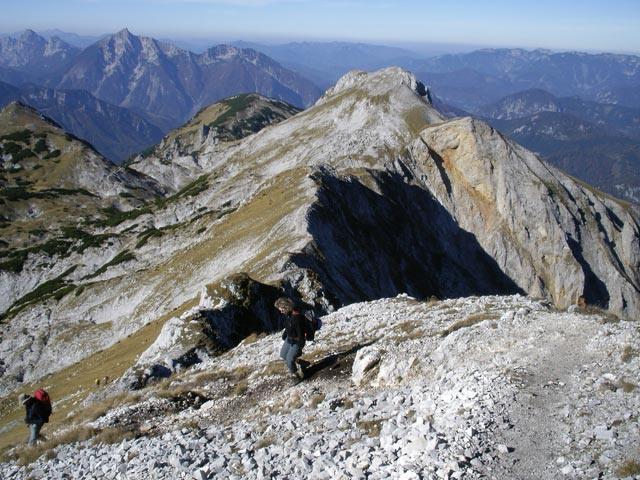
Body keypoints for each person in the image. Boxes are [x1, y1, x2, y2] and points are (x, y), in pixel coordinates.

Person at [275, 297, 307, 382]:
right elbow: (288, 326)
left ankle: (296, 377)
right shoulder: (288, 314)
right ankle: (302, 363)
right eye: (280, 310)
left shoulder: (297, 317)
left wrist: (300, 345)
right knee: (283, 355)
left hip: (296, 341)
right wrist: (285, 334)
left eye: (282, 309)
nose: (281, 311)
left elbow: (301, 332)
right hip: (289, 338)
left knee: (289, 360)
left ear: (287, 307)